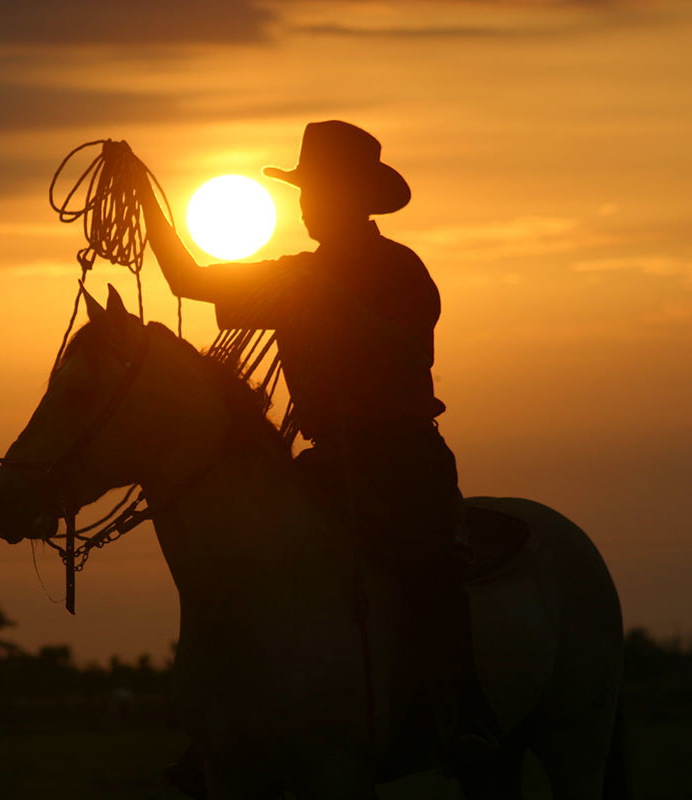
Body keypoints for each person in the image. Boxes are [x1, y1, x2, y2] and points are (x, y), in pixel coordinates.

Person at [129, 121, 499, 784]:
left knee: (428, 563)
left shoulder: (399, 269)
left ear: (351, 198)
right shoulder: (295, 277)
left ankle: (466, 711)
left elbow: (410, 349)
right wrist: (144, 197)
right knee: (253, 550)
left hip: (403, 454)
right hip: (328, 455)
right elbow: (188, 279)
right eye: (302, 192)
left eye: (315, 192)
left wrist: (335, 302)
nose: (303, 205)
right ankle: (231, 723)